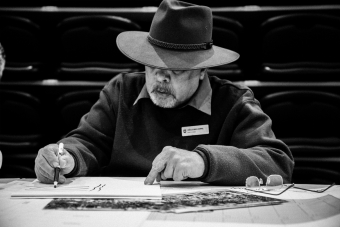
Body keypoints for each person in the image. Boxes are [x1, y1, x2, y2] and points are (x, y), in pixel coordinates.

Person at [34, 0, 294, 186]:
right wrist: (67, 157)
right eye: (152, 65)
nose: (160, 77)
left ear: (202, 70)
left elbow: (277, 162)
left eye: (175, 70)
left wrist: (204, 161)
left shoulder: (234, 101)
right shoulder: (122, 90)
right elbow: (88, 142)